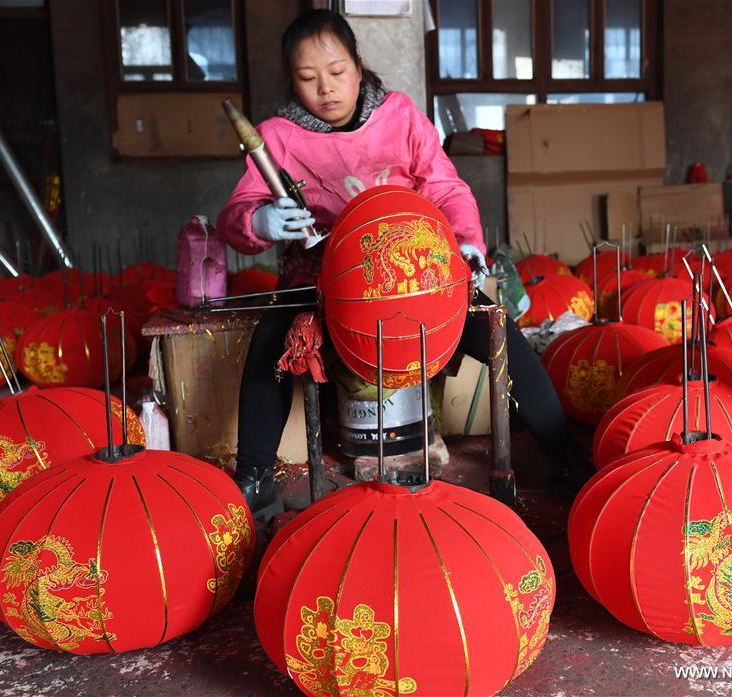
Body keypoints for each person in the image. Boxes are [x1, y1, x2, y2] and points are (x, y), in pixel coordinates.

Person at [218, 10, 590, 520]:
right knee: (272, 344)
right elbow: (235, 216)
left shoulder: (400, 116)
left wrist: (466, 242)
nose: (326, 88)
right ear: (292, 80)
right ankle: (255, 477)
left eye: (337, 71)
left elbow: (445, 187)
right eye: (307, 78)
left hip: (414, 277)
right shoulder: (278, 137)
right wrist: (258, 221)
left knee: (496, 329)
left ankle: (564, 454)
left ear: (357, 64)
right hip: (323, 282)